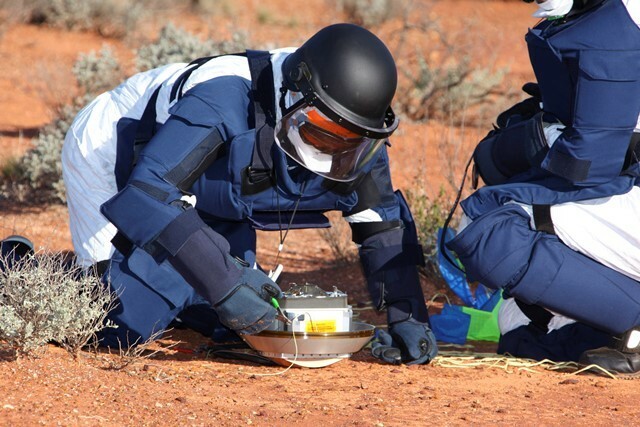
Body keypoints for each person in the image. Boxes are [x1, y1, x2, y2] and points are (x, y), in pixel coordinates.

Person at [61, 23, 438, 365]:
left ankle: (178, 289)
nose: (333, 147)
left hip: (211, 185)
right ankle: (20, 265)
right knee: (114, 324)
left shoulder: (356, 126)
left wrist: (408, 314)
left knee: (235, 318)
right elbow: (148, 193)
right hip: (118, 152)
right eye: (323, 129)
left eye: (348, 138)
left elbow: (381, 222)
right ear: (294, 93)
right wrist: (226, 284)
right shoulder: (223, 95)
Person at [447, 0, 640, 374]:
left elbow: (590, 162)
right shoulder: (608, 14)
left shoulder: (622, 19)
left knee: (487, 231)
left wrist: (523, 145)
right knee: (520, 320)